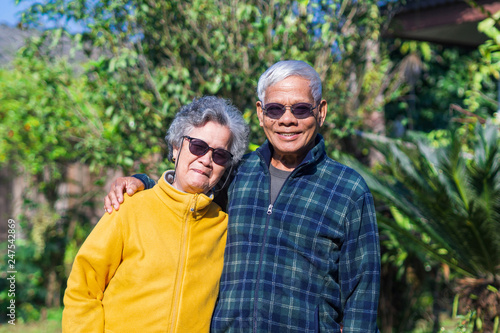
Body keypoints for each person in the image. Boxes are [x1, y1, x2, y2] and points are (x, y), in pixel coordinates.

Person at [104, 60, 381, 332]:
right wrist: (142, 183)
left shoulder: (347, 189)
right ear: (261, 114)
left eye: (300, 109)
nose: (287, 119)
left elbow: (362, 294)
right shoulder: (236, 172)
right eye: (275, 109)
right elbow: (185, 197)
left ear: (320, 112)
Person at [62, 96, 249, 332]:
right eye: (198, 146)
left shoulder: (224, 229)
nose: (206, 160)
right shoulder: (129, 208)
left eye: (220, 155)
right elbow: (83, 289)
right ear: (176, 147)